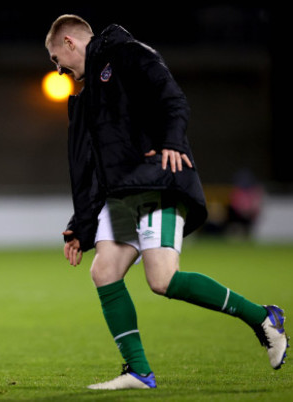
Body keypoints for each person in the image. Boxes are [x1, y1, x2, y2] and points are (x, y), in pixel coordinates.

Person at [45, 14, 289, 390]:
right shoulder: (90, 92)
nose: (59, 71)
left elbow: (171, 97)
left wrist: (173, 141)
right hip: (122, 193)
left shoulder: (127, 54)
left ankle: (263, 318)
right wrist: (81, 223)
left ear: (68, 44)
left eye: (56, 61)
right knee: (104, 271)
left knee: (162, 280)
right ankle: (138, 371)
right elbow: (91, 165)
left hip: (155, 180)